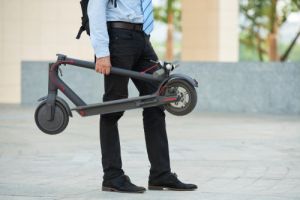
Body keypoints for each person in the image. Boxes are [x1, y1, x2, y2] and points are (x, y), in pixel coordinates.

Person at [87, 0, 197, 193]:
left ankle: (160, 174)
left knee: (156, 99)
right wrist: (102, 52)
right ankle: (112, 176)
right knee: (113, 106)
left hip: (141, 39)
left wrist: (143, 38)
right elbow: (95, 8)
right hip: (118, 38)